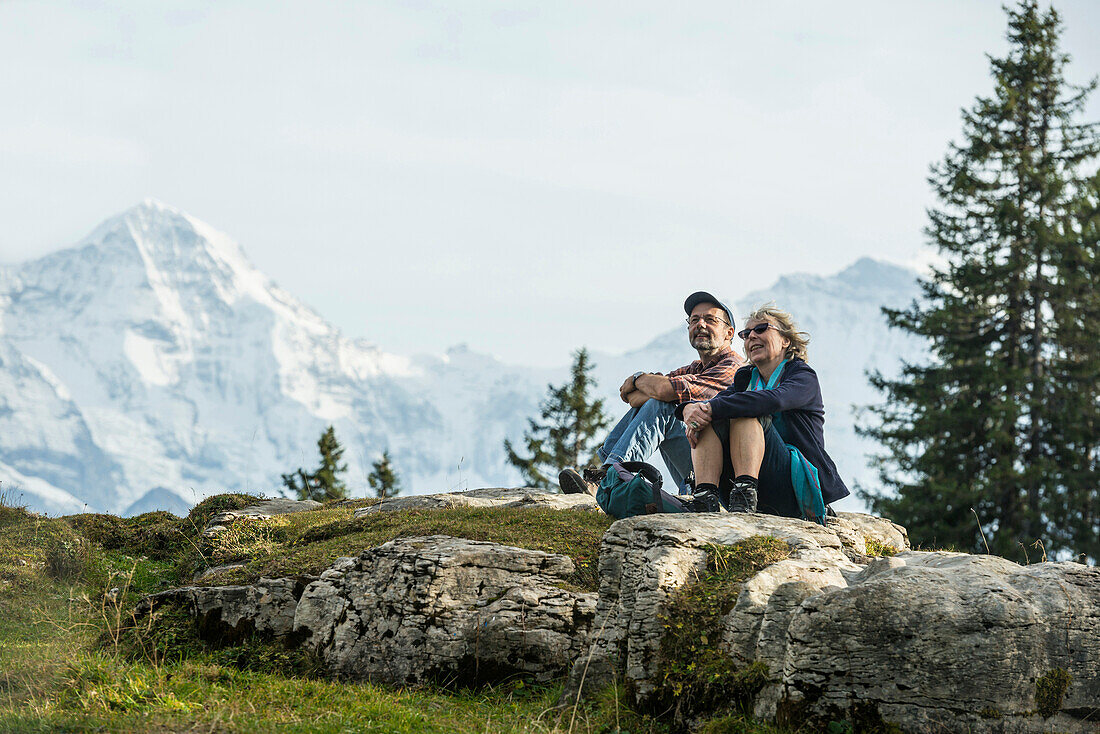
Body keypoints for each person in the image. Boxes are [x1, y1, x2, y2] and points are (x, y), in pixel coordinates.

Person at [559, 292, 744, 496]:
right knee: (661, 405)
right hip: (696, 472)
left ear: (729, 333)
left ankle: (610, 478)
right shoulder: (694, 369)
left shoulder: (733, 367)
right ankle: (605, 474)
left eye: (710, 320)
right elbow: (634, 398)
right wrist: (656, 390)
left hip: (723, 477)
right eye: (694, 320)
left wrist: (638, 378)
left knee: (664, 407)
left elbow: (662, 391)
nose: (700, 324)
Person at [679, 305, 849, 521]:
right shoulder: (744, 379)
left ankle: (745, 494)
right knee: (709, 420)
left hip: (791, 489)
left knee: (744, 412)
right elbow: (716, 404)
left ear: (786, 340)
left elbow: (774, 399)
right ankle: (705, 496)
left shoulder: (802, 376)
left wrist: (709, 408)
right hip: (745, 483)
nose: (751, 337)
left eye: (761, 329)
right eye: (746, 334)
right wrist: (689, 410)